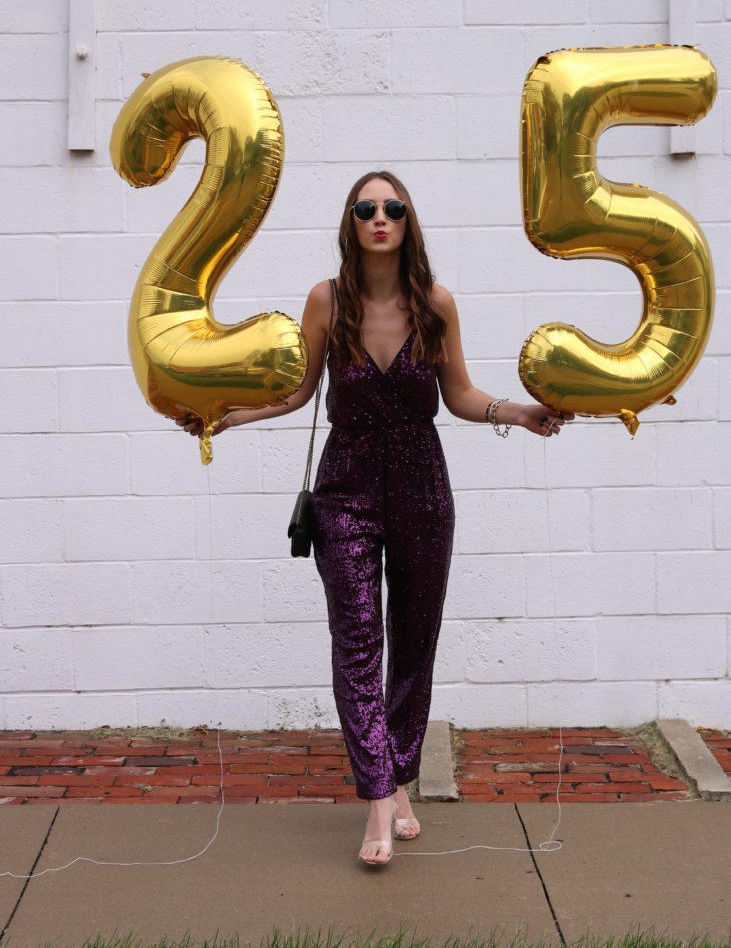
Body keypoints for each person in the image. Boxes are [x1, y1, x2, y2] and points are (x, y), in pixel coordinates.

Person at [179, 170, 570, 868]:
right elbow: (297, 394)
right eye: (367, 208)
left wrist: (522, 415)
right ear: (351, 224)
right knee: (358, 642)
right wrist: (224, 416)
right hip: (347, 486)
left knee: (414, 646)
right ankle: (378, 803)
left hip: (423, 482)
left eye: (394, 207)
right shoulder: (327, 301)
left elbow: (459, 395)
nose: (381, 217)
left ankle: (394, 777)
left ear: (409, 223)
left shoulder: (436, 304)